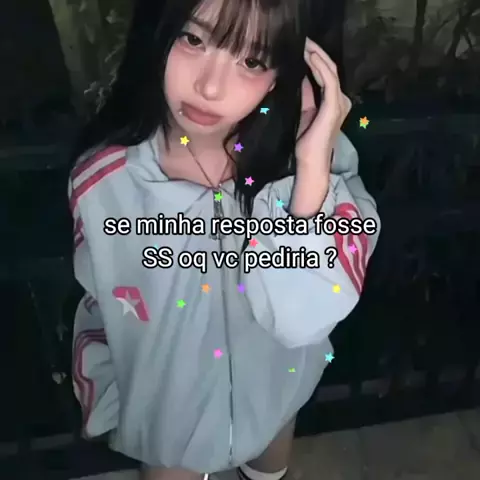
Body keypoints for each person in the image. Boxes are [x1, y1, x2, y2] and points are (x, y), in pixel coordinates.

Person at [68, 0, 381, 479]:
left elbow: (303, 318)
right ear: (160, 32)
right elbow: (101, 299)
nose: (210, 87)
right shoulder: (103, 182)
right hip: (168, 418)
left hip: (275, 395)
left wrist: (309, 180)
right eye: (193, 39)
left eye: (252, 60)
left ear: (284, 72)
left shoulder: (317, 167)